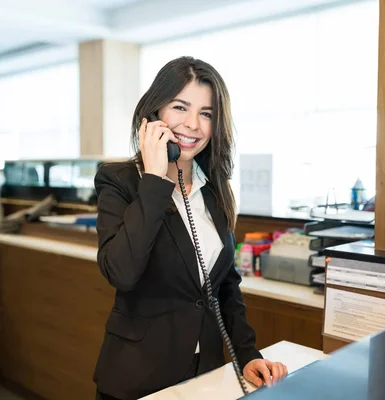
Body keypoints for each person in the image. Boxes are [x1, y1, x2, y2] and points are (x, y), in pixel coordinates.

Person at [93, 56, 288, 400]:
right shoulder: (119, 181)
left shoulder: (214, 187)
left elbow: (225, 284)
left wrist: (247, 354)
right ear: (154, 114)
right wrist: (155, 179)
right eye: (180, 107)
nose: (193, 124)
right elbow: (121, 271)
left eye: (206, 113)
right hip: (137, 379)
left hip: (204, 376)